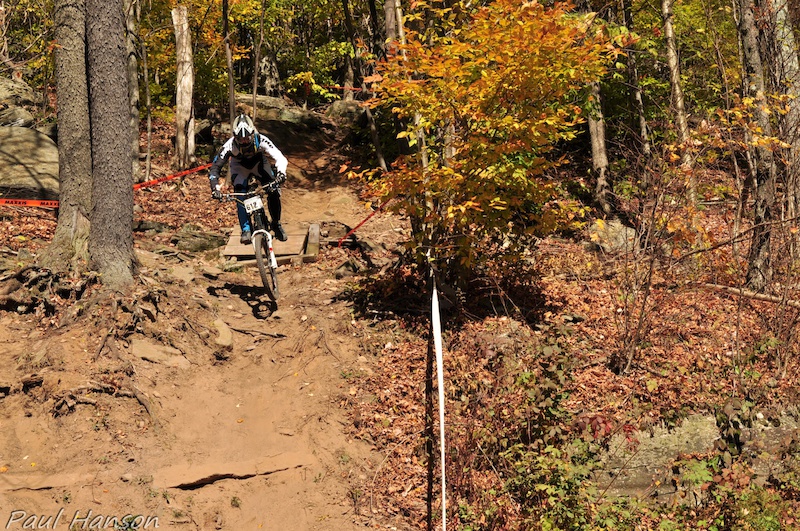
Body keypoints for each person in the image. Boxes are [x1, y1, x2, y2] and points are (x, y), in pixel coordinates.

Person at [208, 113, 289, 243]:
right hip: (239, 167)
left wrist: (281, 173)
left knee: (273, 189)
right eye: (241, 139)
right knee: (240, 194)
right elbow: (215, 167)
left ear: (252, 134)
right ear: (235, 138)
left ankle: (276, 223)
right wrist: (214, 187)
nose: (244, 141)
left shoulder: (261, 139)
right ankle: (246, 229)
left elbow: (280, 157)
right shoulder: (229, 145)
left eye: (247, 138)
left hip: (259, 164)